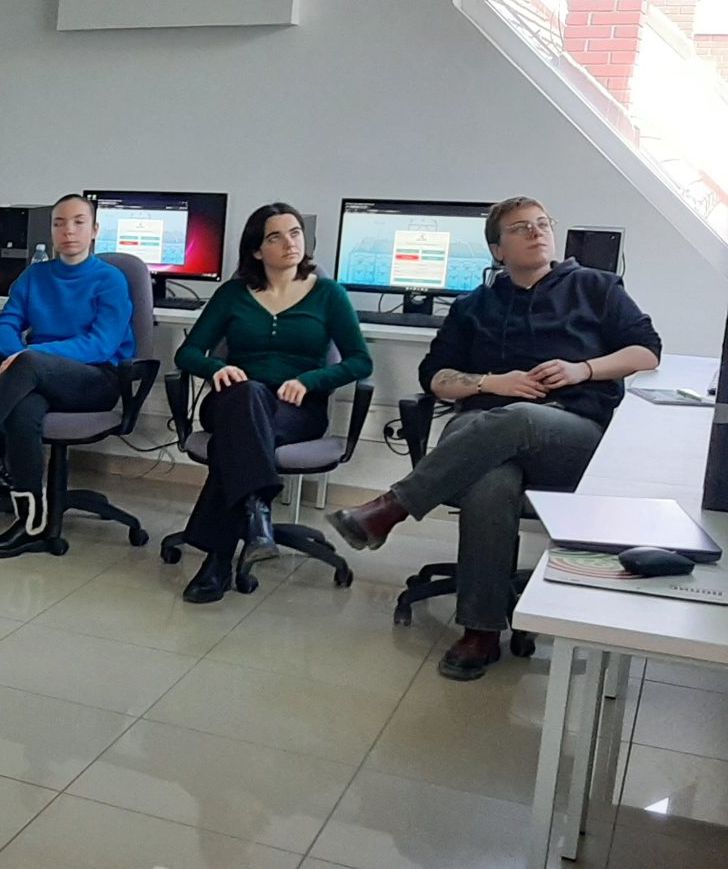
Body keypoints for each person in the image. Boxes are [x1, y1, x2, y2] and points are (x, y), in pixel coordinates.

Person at [327, 195, 661, 680]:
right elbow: (435, 378)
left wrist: (582, 369)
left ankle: (392, 507)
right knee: (491, 480)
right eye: (521, 227)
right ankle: (480, 631)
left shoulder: (596, 287)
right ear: (497, 250)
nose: (537, 232)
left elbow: (647, 351)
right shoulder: (473, 306)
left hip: (570, 433)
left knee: (519, 418)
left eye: (543, 223)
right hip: (481, 430)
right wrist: (490, 382)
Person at [171, 204, 373, 603]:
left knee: (236, 442)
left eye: (295, 233)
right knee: (247, 396)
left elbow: (359, 361)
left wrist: (310, 380)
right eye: (275, 237)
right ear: (256, 250)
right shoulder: (232, 294)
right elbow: (188, 353)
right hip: (232, 400)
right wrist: (216, 368)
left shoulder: (328, 294)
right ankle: (256, 514)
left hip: (295, 410)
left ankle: (219, 558)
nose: (289, 243)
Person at [0, 193, 135, 559]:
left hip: (96, 379)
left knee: (30, 364)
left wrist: (29, 356)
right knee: (23, 407)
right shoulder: (35, 275)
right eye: (59, 223)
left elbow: (101, 344)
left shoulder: (110, 279)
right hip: (38, 375)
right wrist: (19, 354)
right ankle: (31, 525)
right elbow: (4, 325)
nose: (68, 231)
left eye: (78, 222)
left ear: (95, 230)